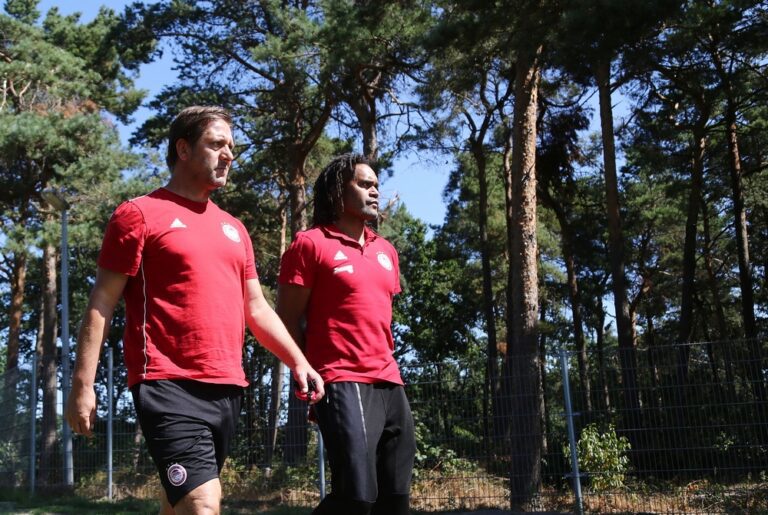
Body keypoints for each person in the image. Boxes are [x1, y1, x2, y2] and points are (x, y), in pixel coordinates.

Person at [64, 106, 324, 515]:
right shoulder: (138, 215)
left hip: (227, 387)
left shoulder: (234, 229)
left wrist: (298, 361)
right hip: (166, 383)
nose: (229, 155)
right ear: (183, 149)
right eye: (217, 144)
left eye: (231, 147)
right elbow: (102, 302)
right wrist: (83, 384)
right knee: (202, 503)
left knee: (179, 504)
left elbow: (256, 307)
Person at [277, 153, 416, 515]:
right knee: (357, 496)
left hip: (389, 380)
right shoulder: (310, 244)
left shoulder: (386, 251)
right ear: (338, 191)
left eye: (376, 185)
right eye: (365, 184)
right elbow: (286, 319)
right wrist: (307, 374)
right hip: (340, 377)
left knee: (395, 501)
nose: (375, 191)